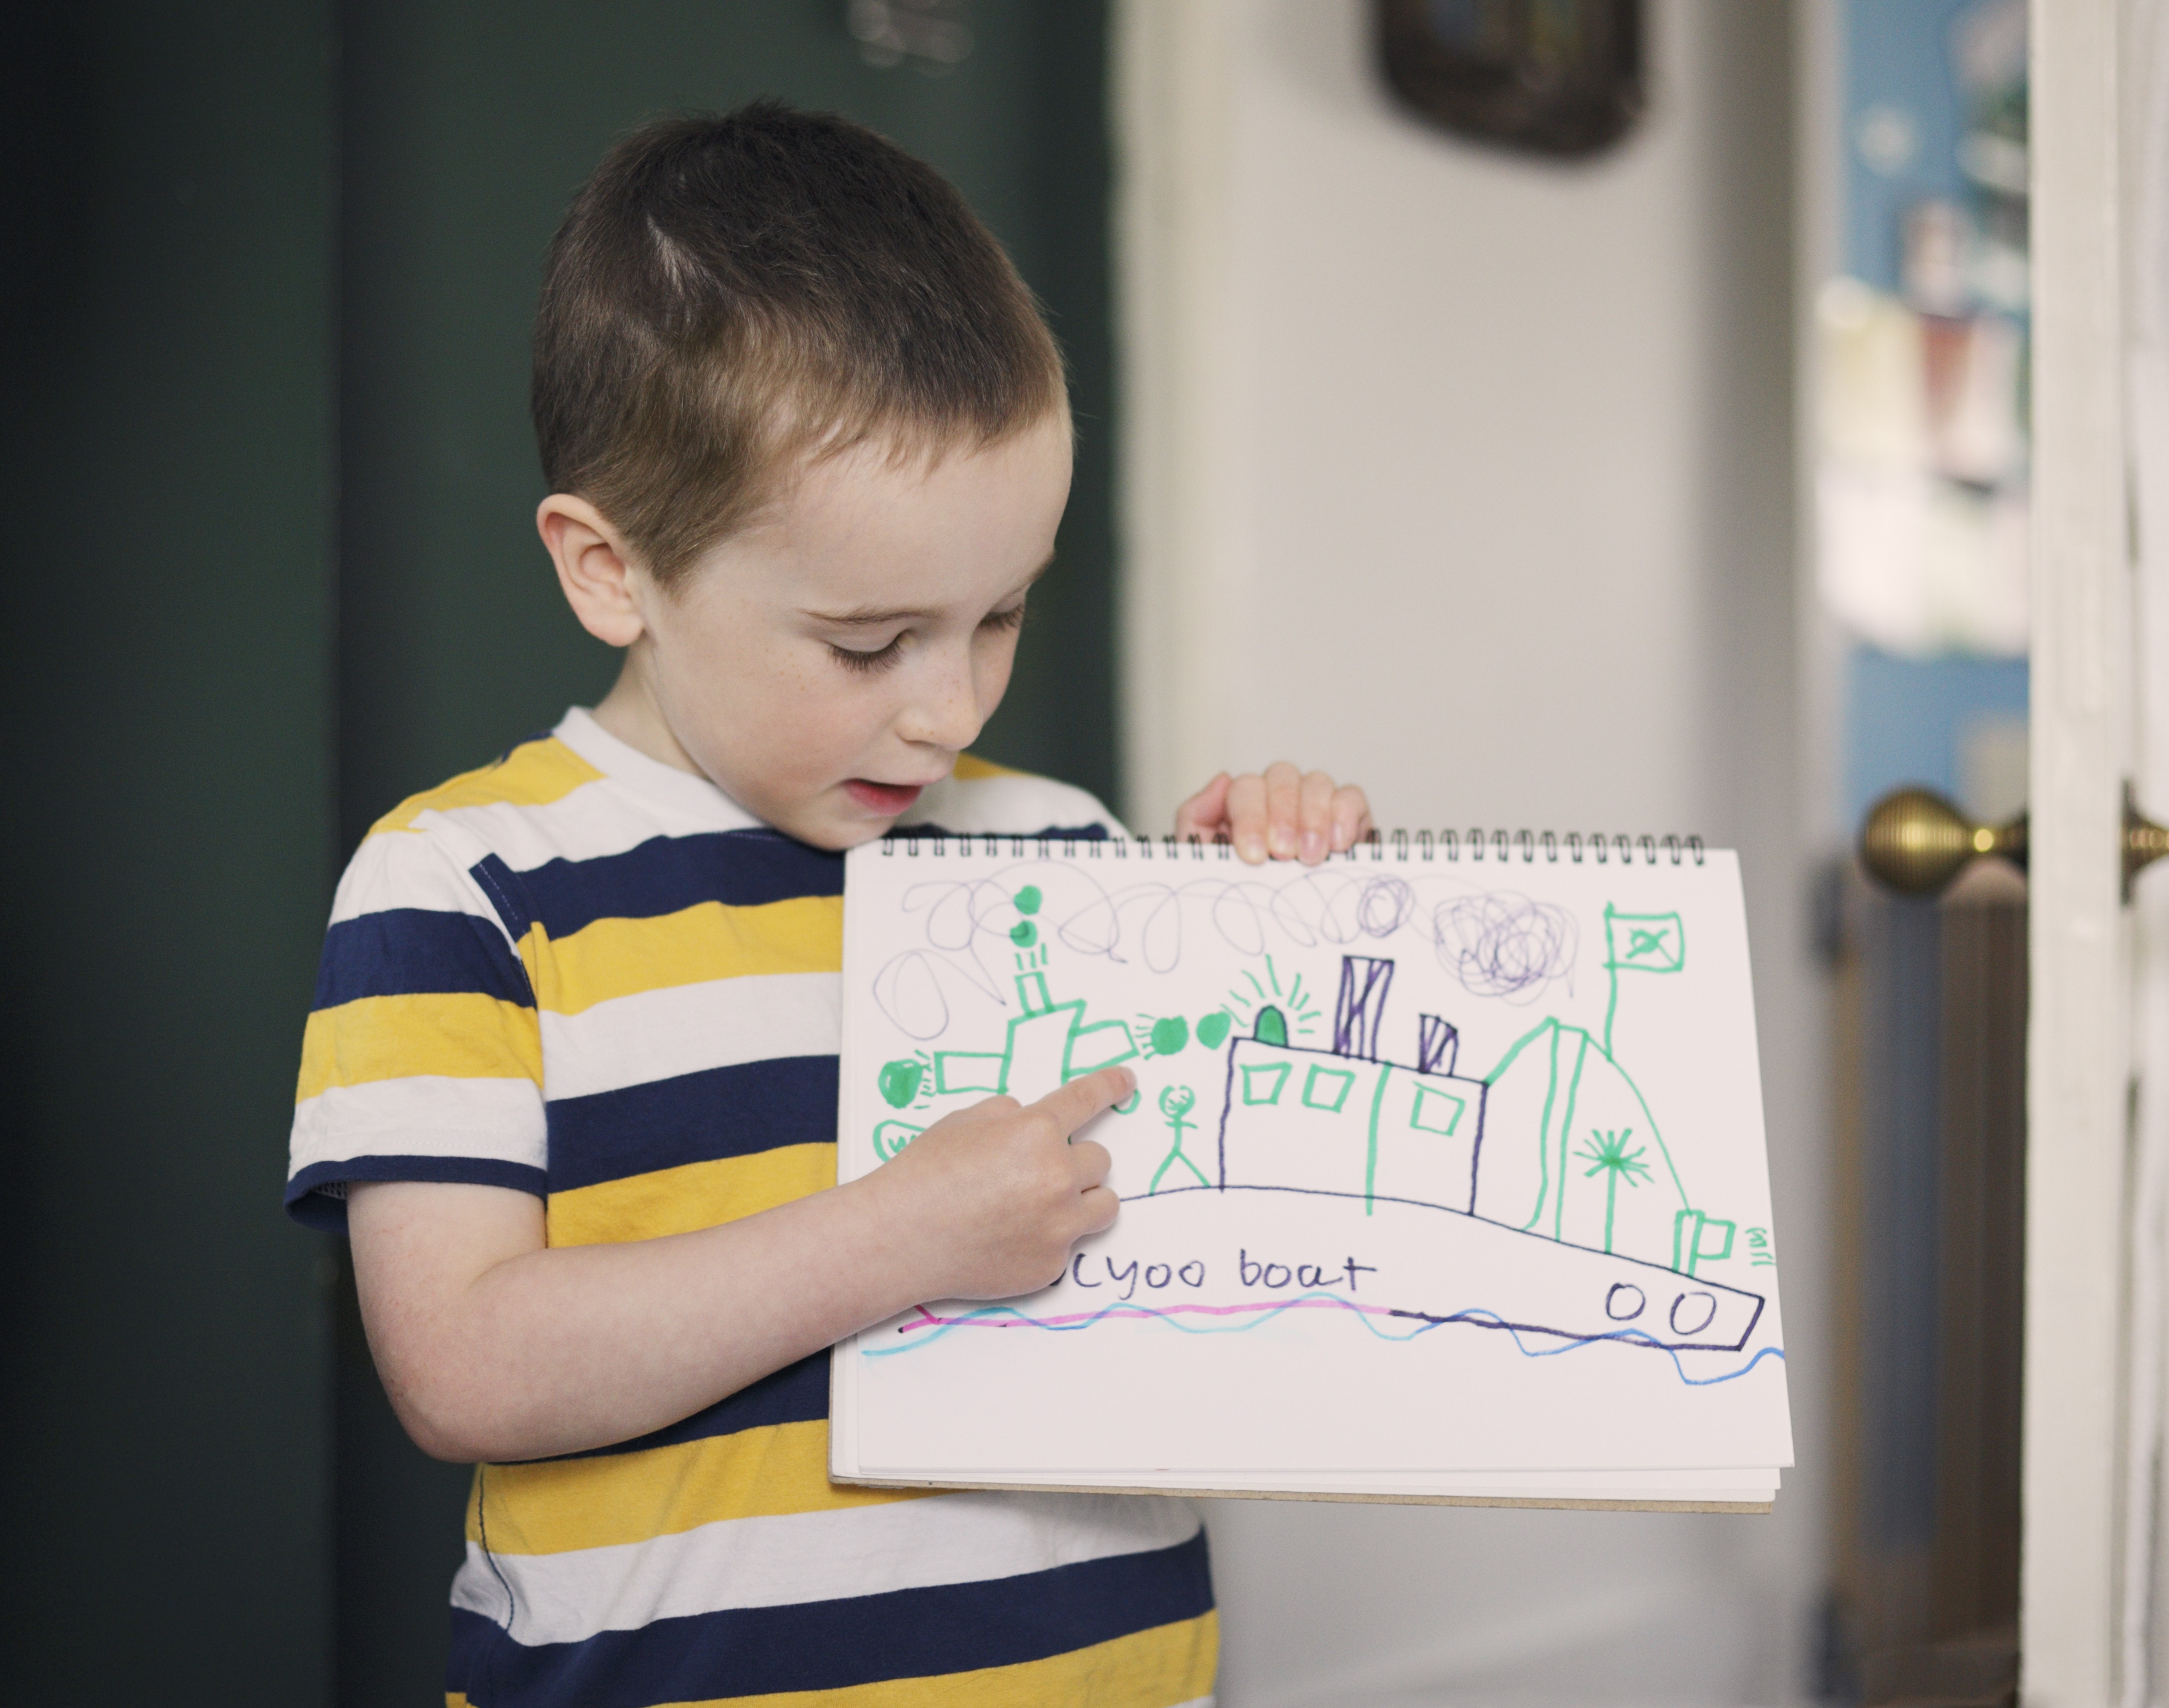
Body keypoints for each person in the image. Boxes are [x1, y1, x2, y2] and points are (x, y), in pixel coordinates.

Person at [287, 103, 1371, 1708]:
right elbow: (463, 1362)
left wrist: (1260, 926)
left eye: (1001, 611)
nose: (949, 708)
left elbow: (1219, 1255)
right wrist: (901, 1235)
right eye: (870, 644)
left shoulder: (1052, 849)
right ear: (611, 570)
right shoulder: (465, 882)